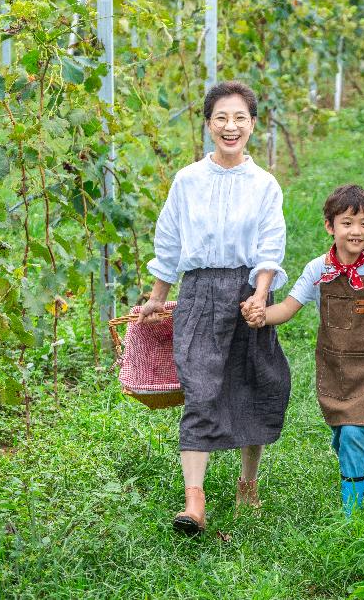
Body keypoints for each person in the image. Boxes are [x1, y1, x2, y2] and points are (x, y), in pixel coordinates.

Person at [138, 80, 291, 535]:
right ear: (207, 125)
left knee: (255, 382)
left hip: (247, 291)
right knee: (200, 388)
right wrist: (157, 297)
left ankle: (248, 484)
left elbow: (270, 245)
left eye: (239, 118)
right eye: (221, 118)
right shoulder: (187, 181)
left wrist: (261, 295)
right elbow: (168, 242)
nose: (230, 126)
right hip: (200, 292)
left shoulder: (264, 184)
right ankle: (194, 504)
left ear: (252, 125)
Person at [242, 184, 364, 515]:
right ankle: (355, 469)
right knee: (344, 436)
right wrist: (262, 314)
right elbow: (288, 309)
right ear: (330, 226)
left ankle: (354, 516)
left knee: (353, 433)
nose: (356, 231)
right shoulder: (317, 269)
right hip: (335, 370)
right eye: (347, 223)